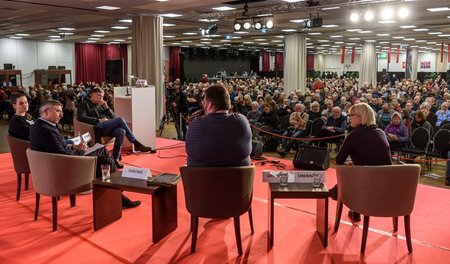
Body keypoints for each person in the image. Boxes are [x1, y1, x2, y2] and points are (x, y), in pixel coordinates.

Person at [30, 100, 140, 209]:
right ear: (46, 112)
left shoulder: (41, 125)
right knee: (106, 161)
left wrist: (74, 147)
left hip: (59, 162)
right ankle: (115, 192)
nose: (62, 115)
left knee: (104, 153)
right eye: (58, 111)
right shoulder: (46, 130)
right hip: (64, 167)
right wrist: (81, 151)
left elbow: (57, 148)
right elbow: (61, 153)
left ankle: (113, 192)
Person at [333, 103, 392, 222]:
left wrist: (353, 163)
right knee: (360, 173)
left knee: (344, 182)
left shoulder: (354, 135)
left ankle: (338, 195)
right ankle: (354, 208)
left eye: (351, 115)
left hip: (364, 186)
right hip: (386, 185)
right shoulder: (381, 132)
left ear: (360, 117)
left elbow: (339, 160)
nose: (349, 118)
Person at [77, 87, 154, 168]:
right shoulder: (84, 103)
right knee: (120, 119)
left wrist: (106, 107)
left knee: (121, 131)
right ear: (92, 94)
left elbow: (113, 117)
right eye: (99, 95)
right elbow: (81, 117)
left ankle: (115, 159)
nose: (101, 98)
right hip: (97, 128)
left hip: (106, 126)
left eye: (102, 97)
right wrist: (98, 120)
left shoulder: (100, 105)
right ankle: (135, 143)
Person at [185, 85, 252, 166]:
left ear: (209, 104)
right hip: (236, 178)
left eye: (204, 102)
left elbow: (190, 153)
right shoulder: (242, 121)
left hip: (201, 177)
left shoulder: (195, 124)